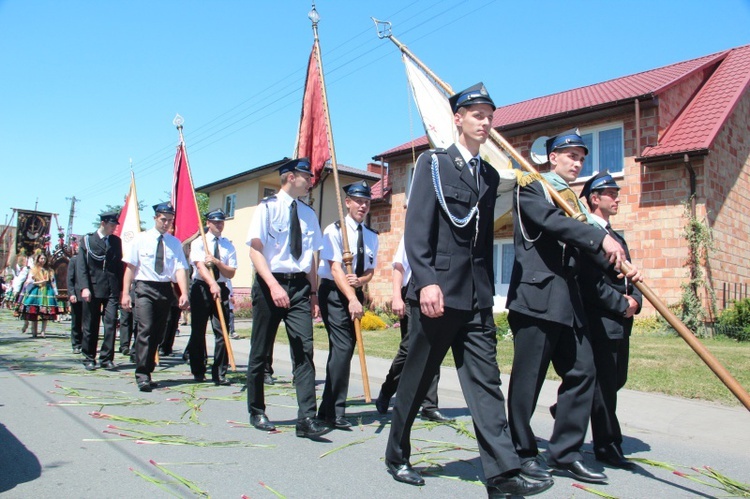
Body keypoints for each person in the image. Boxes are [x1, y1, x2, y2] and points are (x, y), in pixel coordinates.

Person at [385, 83, 552, 498]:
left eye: (490, 115)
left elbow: (479, 241)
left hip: (476, 298)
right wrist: (425, 282)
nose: (485, 121)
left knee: (486, 383)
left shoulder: (491, 175)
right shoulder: (433, 165)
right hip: (437, 294)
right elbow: (417, 231)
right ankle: (397, 453)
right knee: (418, 375)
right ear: (457, 118)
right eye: (477, 114)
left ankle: (501, 474)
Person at [506, 129, 641, 484]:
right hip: (537, 299)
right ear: (553, 158)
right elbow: (552, 224)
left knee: (584, 373)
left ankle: (564, 452)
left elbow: (584, 254)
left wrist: (619, 264)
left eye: (582, 157)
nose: (577, 162)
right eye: (571, 156)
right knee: (527, 382)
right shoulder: (533, 187)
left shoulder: (578, 204)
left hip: (570, 303)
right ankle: (520, 451)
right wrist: (601, 236)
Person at [245, 157, 330, 439]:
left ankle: (306, 418)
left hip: (300, 288)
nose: (311, 180)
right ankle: (257, 410)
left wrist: (315, 293)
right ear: (290, 177)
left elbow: (312, 258)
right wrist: (273, 286)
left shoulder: (308, 214)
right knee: (260, 351)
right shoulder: (266, 209)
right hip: (272, 285)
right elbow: (255, 251)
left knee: (304, 351)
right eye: (307, 176)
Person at [578, 171, 642, 469]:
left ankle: (572, 406)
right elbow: (592, 282)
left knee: (617, 379)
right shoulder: (590, 233)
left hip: (621, 319)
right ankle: (607, 445)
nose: (617, 198)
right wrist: (621, 304)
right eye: (611, 193)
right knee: (605, 385)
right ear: (594, 198)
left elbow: (629, 279)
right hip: (603, 319)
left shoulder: (616, 237)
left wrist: (635, 302)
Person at [317, 180, 379, 430]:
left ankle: (327, 408)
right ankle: (335, 411)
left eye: (367, 201)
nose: (363, 206)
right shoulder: (335, 231)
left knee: (344, 350)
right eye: (358, 201)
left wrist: (360, 281)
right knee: (342, 349)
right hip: (334, 293)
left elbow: (371, 271)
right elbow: (334, 268)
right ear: (347, 202)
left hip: (354, 292)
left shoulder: (372, 236)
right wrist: (351, 298)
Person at [375, 235, 451, 423]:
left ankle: (429, 406)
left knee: (434, 348)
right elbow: (399, 266)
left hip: (438, 294)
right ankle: (387, 390)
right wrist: (396, 297)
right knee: (409, 348)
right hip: (413, 294)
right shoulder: (416, 231)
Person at [121, 202, 189, 392]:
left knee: (158, 333)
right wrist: (126, 293)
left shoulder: (174, 243)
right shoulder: (141, 239)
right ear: (155, 218)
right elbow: (131, 267)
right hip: (144, 287)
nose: (166, 223)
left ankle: (148, 370)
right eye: (163, 219)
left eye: (169, 220)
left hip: (165, 289)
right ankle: (142, 374)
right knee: (146, 329)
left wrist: (184, 292)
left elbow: (180, 269)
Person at [188, 209, 237, 385]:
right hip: (201, 287)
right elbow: (200, 266)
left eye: (221, 222)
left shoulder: (228, 245)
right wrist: (211, 283)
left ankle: (219, 372)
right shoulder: (199, 242)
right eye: (215, 222)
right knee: (198, 331)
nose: (218, 225)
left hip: (221, 287)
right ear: (208, 223)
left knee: (221, 331)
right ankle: (198, 370)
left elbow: (231, 272)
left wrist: (216, 262)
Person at [78, 211, 123, 371]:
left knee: (110, 323)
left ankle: (106, 358)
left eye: (115, 226)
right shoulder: (88, 240)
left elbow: (119, 267)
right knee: (91, 324)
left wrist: (122, 290)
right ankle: (89, 357)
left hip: (112, 288)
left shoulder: (116, 242)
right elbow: (81, 266)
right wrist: (84, 287)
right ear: (103, 223)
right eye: (111, 225)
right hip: (93, 287)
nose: (114, 229)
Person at [20, 252, 61, 338]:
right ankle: (34, 330)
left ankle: (43, 331)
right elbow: (29, 281)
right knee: (34, 311)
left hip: (47, 291)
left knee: (45, 312)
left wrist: (56, 292)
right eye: (41, 258)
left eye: (44, 259)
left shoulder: (50, 270)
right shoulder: (34, 269)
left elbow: (53, 282)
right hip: (35, 290)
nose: (43, 260)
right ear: (38, 259)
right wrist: (39, 282)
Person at [66, 246, 83, 354]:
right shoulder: (74, 260)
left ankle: (85, 343)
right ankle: (76, 344)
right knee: (76, 321)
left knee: (87, 322)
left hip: (89, 296)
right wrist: (71, 293)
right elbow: (70, 278)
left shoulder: (90, 259)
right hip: (76, 295)